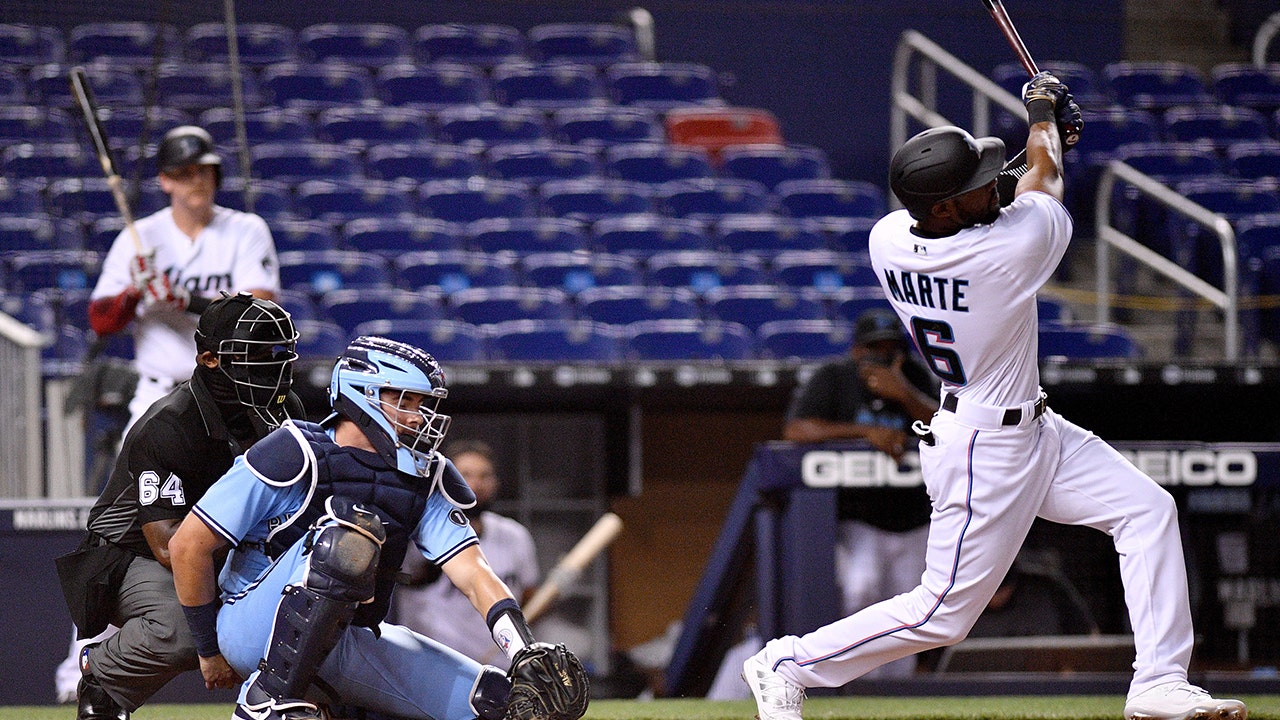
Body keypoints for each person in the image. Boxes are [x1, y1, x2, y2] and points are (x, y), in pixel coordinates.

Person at [742, 72, 1248, 720]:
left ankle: (1158, 682)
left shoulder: (890, 237)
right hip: (985, 448)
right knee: (942, 613)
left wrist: (1041, 144)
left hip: (1034, 429)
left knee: (1147, 511)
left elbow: (1003, 191)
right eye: (974, 185)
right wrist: (1043, 122)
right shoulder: (1005, 253)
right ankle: (788, 662)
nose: (990, 186)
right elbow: (1042, 182)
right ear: (945, 209)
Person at [168, 336, 588, 720]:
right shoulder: (293, 449)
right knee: (347, 536)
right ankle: (265, 703)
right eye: (406, 401)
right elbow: (189, 546)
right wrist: (208, 650)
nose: (418, 417)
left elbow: (474, 573)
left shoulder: (426, 474)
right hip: (253, 627)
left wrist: (522, 648)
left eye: (423, 404)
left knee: (505, 705)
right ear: (361, 393)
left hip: (349, 637)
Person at [57, 293, 302, 720]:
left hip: (226, 547)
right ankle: (104, 671)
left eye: (277, 353)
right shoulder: (171, 424)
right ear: (210, 359)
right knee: (189, 629)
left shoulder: (283, 411)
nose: (272, 365)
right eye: (255, 355)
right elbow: (170, 547)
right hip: (127, 556)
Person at [87, 124, 282, 435]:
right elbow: (101, 321)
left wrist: (185, 300)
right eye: (184, 173)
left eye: (203, 170)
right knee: (135, 466)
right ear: (165, 180)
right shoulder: (139, 236)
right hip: (158, 393)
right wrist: (134, 292)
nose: (196, 180)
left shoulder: (246, 229)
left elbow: (257, 310)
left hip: (230, 392)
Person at [782, 307, 938, 678]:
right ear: (856, 351)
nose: (882, 356)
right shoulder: (834, 377)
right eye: (873, 348)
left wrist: (904, 394)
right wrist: (865, 432)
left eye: (890, 348)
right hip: (860, 516)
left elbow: (950, 428)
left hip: (914, 516)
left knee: (915, 610)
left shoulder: (915, 377)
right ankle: (856, 681)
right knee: (859, 589)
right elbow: (796, 430)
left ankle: (896, 691)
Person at [395, 439, 540, 670]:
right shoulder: (416, 531)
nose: (476, 484)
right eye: (466, 474)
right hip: (432, 667)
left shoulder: (515, 535)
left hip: (500, 667)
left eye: (484, 475)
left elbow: (530, 599)